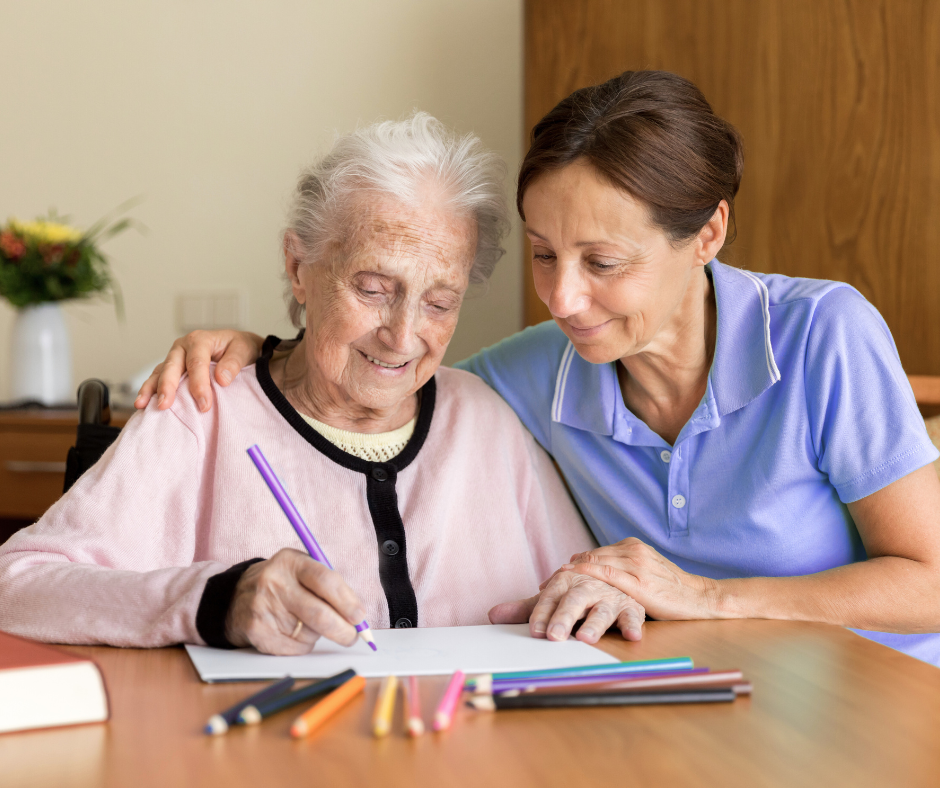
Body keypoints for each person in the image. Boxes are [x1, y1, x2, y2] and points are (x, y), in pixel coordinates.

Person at [143, 72, 940, 665]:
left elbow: (928, 582)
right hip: (685, 705)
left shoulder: (820, 335)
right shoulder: (531, 376)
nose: (562, 297)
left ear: (707, 234)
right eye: (545, 255)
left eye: (602, 262)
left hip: (873, 701)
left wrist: (705, 597)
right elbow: (389, 371)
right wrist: (269, 344)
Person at [0, 113, 619, 655]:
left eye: (439, 302)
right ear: (299, 268)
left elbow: (589, 582)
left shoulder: (484, 419)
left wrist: (599, 596)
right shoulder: (203, 407)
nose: (403, 337)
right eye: (374, 289)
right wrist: (216, 600)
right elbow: (17, 584)